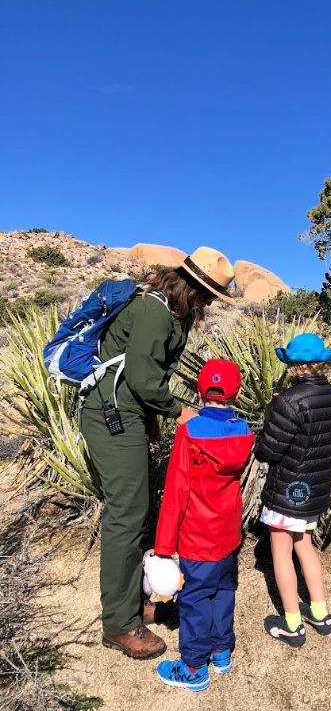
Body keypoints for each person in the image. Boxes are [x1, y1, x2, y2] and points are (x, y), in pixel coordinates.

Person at [80, 247, 236, 659]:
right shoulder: (154, 311)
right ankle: (119, 624)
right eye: (206, 295)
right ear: (191, 286)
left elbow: (144, 375)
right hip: (112, 416)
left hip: (127, 413)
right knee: (125, 516)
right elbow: (143, 377)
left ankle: (133, 603)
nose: (208, 304)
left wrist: (151, 417)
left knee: (133, 510)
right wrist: (177, 411)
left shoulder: (170, 312)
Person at [153, 359, 254, 691]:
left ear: (200, 389)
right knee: (223, 590)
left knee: (195, 598)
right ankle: (220, 650)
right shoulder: (243, 432)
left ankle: (194, 667)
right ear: (235, 392)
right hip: (228, 533)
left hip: (198, 535)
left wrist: (164, 547)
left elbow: (177, 490)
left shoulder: (190, 431)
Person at [255, 333, 331, 647]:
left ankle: (292, 624)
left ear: (294, 364)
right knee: (305, 546)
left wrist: (275, 410)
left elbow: (268, 451)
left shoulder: (290, 401)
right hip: (314, 489)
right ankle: (320, 613)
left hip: (288, 490)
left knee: (281, 552)